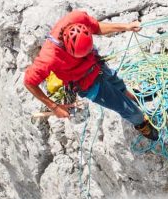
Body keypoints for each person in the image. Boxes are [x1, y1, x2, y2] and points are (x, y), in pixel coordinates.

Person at [23, 9, 159, 140]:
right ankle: (141, 124)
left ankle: (134, 97)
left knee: (117, 83)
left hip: (96, 64)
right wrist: (54, 107)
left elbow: (97, 27)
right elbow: (29, 82)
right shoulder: (49, 56)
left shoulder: (76, 18)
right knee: (128, 109)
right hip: (87, 84)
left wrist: (127, 26)